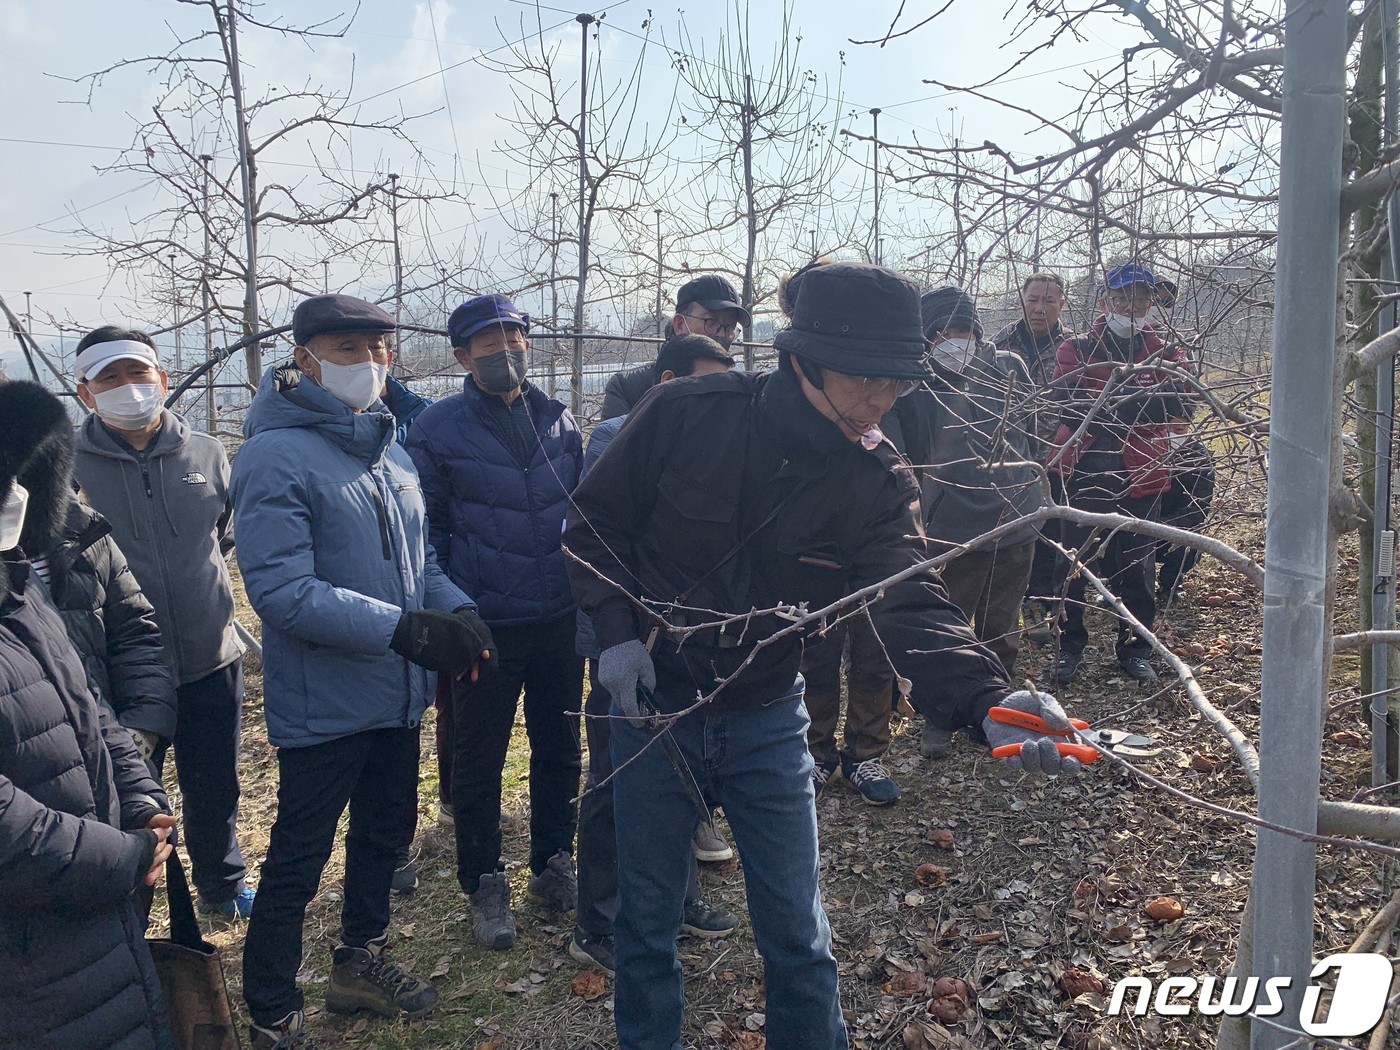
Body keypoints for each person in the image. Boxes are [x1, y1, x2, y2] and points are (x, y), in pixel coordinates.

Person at [565, 261, 1081, 1050]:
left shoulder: (872, 477)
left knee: (798, 937)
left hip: (769, 717)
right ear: (803, 359)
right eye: (869, 381)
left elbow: (912, 598)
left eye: (898, 385)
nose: (885, 401)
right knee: (646, 924)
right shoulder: (683, 414)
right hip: (655, 706)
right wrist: (618, 636)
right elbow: (593, 526)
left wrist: (985, 701)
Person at [231, 294, 489, 1048]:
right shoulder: (274, 455)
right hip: (325, 702)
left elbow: (420, 564)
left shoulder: (390, 449)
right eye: (349, 348)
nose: (370, 363)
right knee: (300, 858)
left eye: (379, 349)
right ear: (304, 358)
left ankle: (358, 962)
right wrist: (402, 630)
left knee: (385, 835)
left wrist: (458, 611)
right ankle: (272, 1008)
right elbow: (281, 589)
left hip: (396, 692)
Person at [0, 381, 179, 1050]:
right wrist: (121, 858)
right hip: (28, 963)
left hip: (94, 923)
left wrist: (139, 796)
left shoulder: (17, 593)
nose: (15, 497)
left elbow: (89, 704)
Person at [406, 293, 584, 952]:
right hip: (484, 623)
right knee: (479, 762)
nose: (504, 348)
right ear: (462, 355)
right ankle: (483, 880)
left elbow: (581, 518)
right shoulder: (436, 429)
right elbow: (429, 534)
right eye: (487, 341)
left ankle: (553, 864)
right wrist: (457, 608)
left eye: (514, 335)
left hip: (560, 618)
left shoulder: (558, 421)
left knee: (560, 750)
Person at [571, 332, 741, 976]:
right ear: (669, 385)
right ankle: (601, 919)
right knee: (616, 774)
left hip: (688, 646)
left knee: (680, 772)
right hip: (625, 640)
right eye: (703, 386)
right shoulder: (614, 436)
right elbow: (606, 541)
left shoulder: (721, 443)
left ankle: (678, 899)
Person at [71, 327, 252, 918]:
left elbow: (220, 536)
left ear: (163, 379)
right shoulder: (68, 468)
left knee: (215, 787)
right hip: (120, 671)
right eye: (110, 379)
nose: (128, 388)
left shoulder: (206, 453)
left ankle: (221, 887)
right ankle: (134, 904)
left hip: (209, 657)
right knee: (129, 794)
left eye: (138, 373)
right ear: (85, 393)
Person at [778, 262, 902, 806]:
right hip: (814, 563)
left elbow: (918, 454)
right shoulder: (781, 410)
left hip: (882, 544)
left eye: (891, 384)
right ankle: (817, 753)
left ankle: (867, 755)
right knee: (816, 657)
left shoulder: (890, 383)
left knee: (876, 658)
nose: (878, 396)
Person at [1048, 263, 1186, 684]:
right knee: (1073, 564)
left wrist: (1113, 402)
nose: (1133, 305)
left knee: (1139, 566)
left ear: (1152, 303)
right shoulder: (1077, 348)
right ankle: (1069, 646)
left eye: (1142, 298)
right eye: (1124, 297)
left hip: (1143, 471)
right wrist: (1139, 403)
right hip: (1084, 470)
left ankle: (1135, 648)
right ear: (1105, 301)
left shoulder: (1166, 351)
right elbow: (1071, 407)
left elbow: (1179, 405)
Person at [898, 286, 1042, 686]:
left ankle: (996, 697)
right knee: (951, 623)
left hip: (1016, 518)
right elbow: (912, 453)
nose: (955, 341)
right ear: (927, 338)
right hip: (952, 529)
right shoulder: (916, 385)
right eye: (942, 332)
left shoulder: (1009, 367)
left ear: (978, 331)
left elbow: (1030, 434)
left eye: (964, 330)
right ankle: (944, 706)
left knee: (1002, 625)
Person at [25, 492, 177, 779]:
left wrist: (141, 733)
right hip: (29, 785)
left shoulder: (82, 528)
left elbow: (135, 633)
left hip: (120, 764)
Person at [993, 272, 1071, 646]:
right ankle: (1000, 605)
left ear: (1062, 304)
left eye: (1049, 301)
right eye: (1033, 300)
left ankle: (1040, 604)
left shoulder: (1074, 349)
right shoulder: (999, 345)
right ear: (1021, 301)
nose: (1039, 308)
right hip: (1009, 458)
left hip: (1057, 458)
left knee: (1047, 535)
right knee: (1010, 535)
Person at [600, 275, 751, 418]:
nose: (722, 335)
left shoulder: (738, 389)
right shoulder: (627, 388)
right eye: (711, 322)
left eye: (730, 328)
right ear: (679, 324)